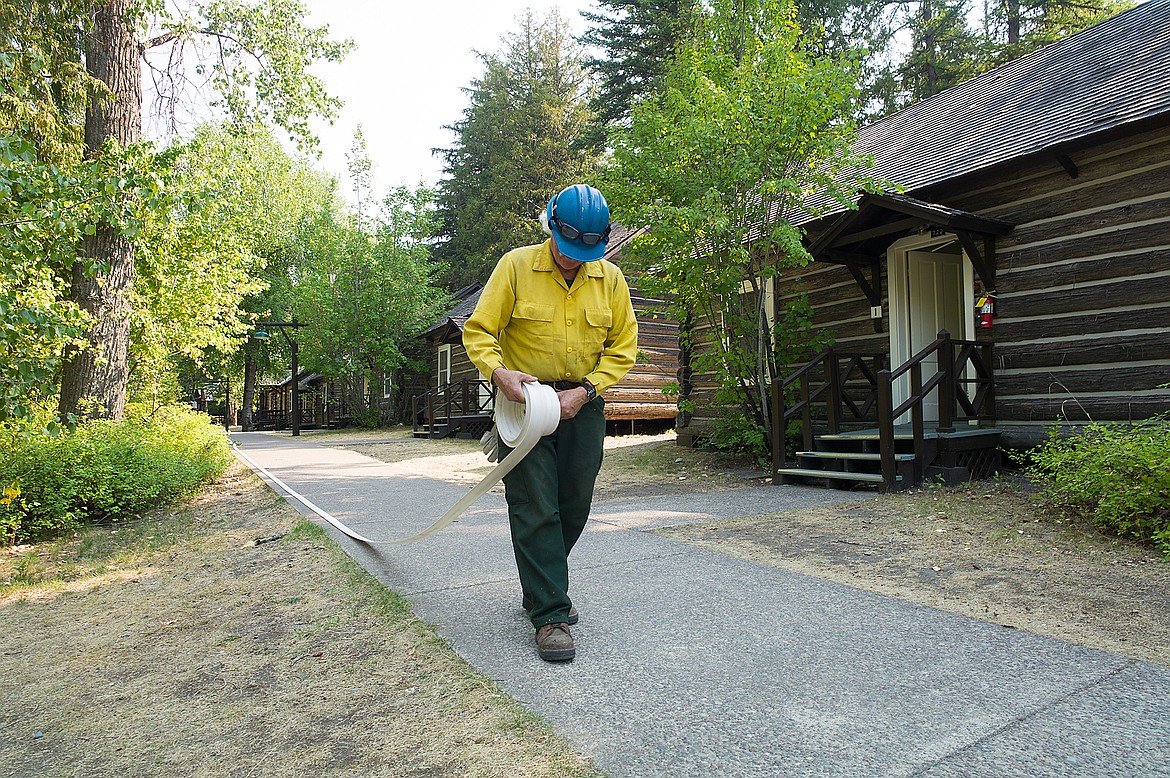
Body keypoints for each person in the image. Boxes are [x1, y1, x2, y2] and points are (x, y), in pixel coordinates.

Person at [463, 184, 638, 662]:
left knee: (573, 504)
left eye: (586, 251)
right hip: (524, 403)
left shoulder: (612, 281)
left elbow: (623, 347)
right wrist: (499, 374)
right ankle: (551, 616)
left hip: (584, 401)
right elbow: (479, 330)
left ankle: (539, 585)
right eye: (568, 248)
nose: (573, 259)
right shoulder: (516, 266)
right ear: (551, 226)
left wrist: (586, 392)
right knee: (535, 504)